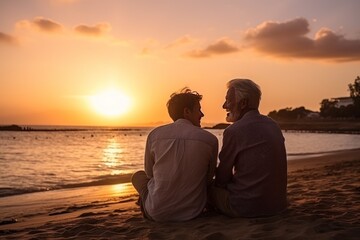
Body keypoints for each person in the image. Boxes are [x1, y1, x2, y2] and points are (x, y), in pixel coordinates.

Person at [131, 88, 218, 222]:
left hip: (157, 213)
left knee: (138, 176)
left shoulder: (154, 135)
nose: (202, 114)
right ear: (187, 112)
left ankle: (146, 203)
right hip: (193, 212)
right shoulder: (210, 140)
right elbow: (208, 178)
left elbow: (150, 175)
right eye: (199, 109)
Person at [210, 79, 287, 217]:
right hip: (277, 205)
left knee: (203, 188)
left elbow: (223, 177)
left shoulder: (234, 131)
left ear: (243, 103)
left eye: (228, 100)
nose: (223, 106)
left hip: (246, 207)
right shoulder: (273, 125)